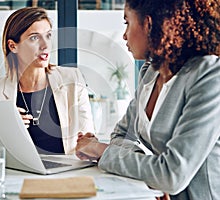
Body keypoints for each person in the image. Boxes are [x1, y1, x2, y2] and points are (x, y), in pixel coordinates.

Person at [76, 0, 220, 199]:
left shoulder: (209, 76)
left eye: (127, 22)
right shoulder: (151, 71)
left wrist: (101, 151)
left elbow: (171, 175)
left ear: (149, 25)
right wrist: (151, 172)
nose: (124, 35)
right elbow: (121, 135)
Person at [0, 7, 94, 155]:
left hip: (66, 172)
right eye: (34, 38)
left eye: (48, 36)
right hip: (18, 173)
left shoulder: (72, 80)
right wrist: (7, 127)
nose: (45, 45)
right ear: (13, 46)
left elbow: (88, 139)